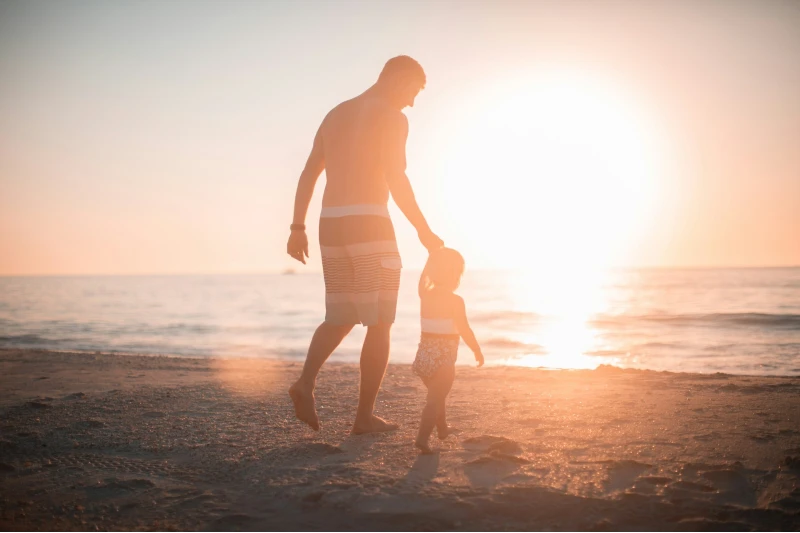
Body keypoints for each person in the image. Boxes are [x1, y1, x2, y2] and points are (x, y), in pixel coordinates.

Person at [286, 56, 444, 435]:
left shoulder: (336, 114)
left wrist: (296, 226)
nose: (411, 102)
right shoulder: (392, 117)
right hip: (370, 222)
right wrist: (424, 230)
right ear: (396, 78)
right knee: (380, 321)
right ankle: (363, 419)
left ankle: (305, 383)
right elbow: (396, 178)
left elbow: (310, 171)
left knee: (340, 316)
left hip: (331, 224)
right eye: (412, 90)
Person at [412, 248, 484, 453]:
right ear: (456, 276)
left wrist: (430, 257)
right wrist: (476, 350)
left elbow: (423, 277)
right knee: (434, 399)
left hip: (424, 358)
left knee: (437, 395)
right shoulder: (455, 301)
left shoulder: (424, 294)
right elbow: (464, 329)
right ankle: (422, 438)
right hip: (443, 358)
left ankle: (442, 429)